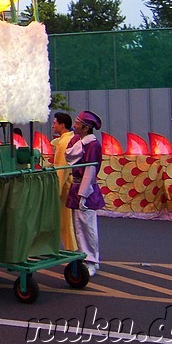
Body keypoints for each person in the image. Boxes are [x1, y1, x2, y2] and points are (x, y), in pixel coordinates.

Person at [66, 110, 105, 277]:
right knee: (79, 227)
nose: (74, 125)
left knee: (88, 227)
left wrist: (83, 194)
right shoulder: (78, 141)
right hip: (76, 187)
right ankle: (84, 256)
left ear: (86, 127)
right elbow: (69, 156)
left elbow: (90, 170)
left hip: (85, 189)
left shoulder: (93, 145)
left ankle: (92, 260)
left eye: (77, 122)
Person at [51, 112, 77, 251]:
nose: (52, 125)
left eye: (54, 123)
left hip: (65, 186)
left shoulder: (63, 143)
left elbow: (61, 169)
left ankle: (71, 249)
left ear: (62, 125)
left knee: (65, 222)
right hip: (70, 184)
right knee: (67, 222)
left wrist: (57, 190)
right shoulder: (69, 139)